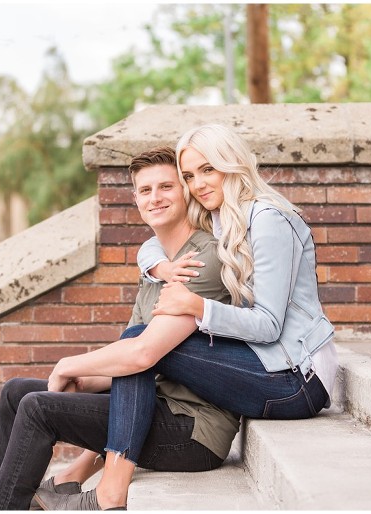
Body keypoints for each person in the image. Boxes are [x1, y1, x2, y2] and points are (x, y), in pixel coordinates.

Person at [34, 124, 338, 510]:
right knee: (144, 344)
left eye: (208, 170)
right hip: (265, 363)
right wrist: (160, 267)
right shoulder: (223, 216)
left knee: (143, 342)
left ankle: (109, 490)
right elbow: (153, 242)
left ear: (231, 163)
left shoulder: (268, 219)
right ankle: (82, 474)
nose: (198, 184)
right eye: (190, 176)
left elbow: (269, 325)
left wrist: (198, 307)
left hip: (298, 380)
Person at [0, 147, 241, 510]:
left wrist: (68, 366)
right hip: (146, 407)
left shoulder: (200, 260)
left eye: (166, 187)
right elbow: (127, 364)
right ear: (135, 199)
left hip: (191, 430)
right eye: (145, 190)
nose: (155, 198)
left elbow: (141, 354)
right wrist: (85, 382)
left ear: (186, 192)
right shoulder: (157, 266)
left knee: (37, 408)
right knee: (17, 392)